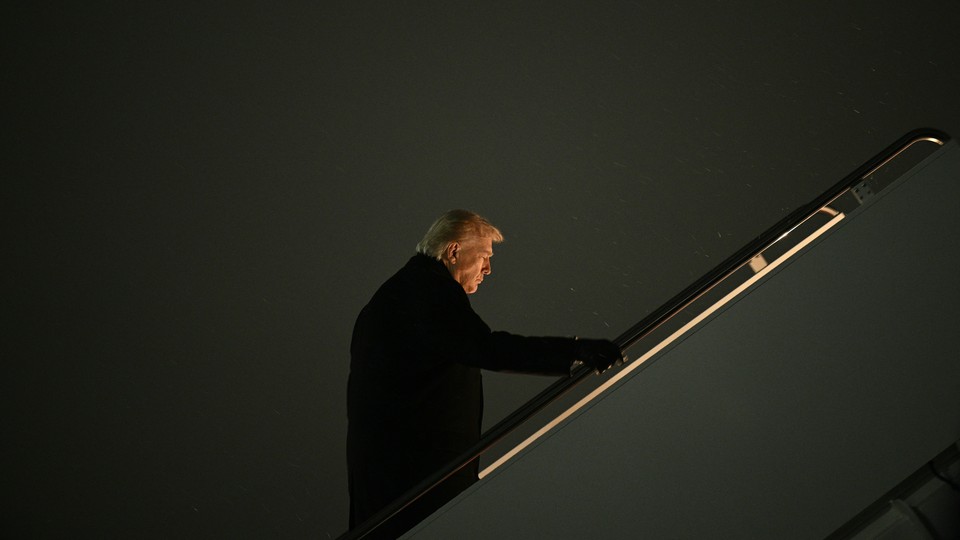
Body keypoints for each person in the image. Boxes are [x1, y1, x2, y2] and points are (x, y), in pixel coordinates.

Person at [346, 209, 624, 538]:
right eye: (484, 257)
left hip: (390, 481)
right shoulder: (429, 292)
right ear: (453, 252)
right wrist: (574, 349)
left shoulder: (400, 292)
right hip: (419, 482)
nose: (489, 269)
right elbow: (488, 348)